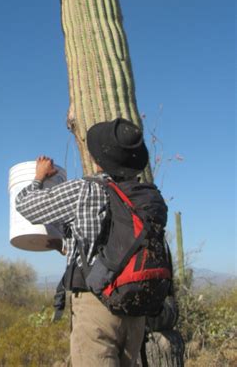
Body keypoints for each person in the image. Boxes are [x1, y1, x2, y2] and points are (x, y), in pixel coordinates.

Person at [15, 118, 151, 367]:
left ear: (99, 162)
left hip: (96, 307)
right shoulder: (146, 197)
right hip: (136, 311)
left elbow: (25, 204)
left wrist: (38, 178)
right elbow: (114, 247)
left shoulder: (85, 191)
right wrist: (63, 246)